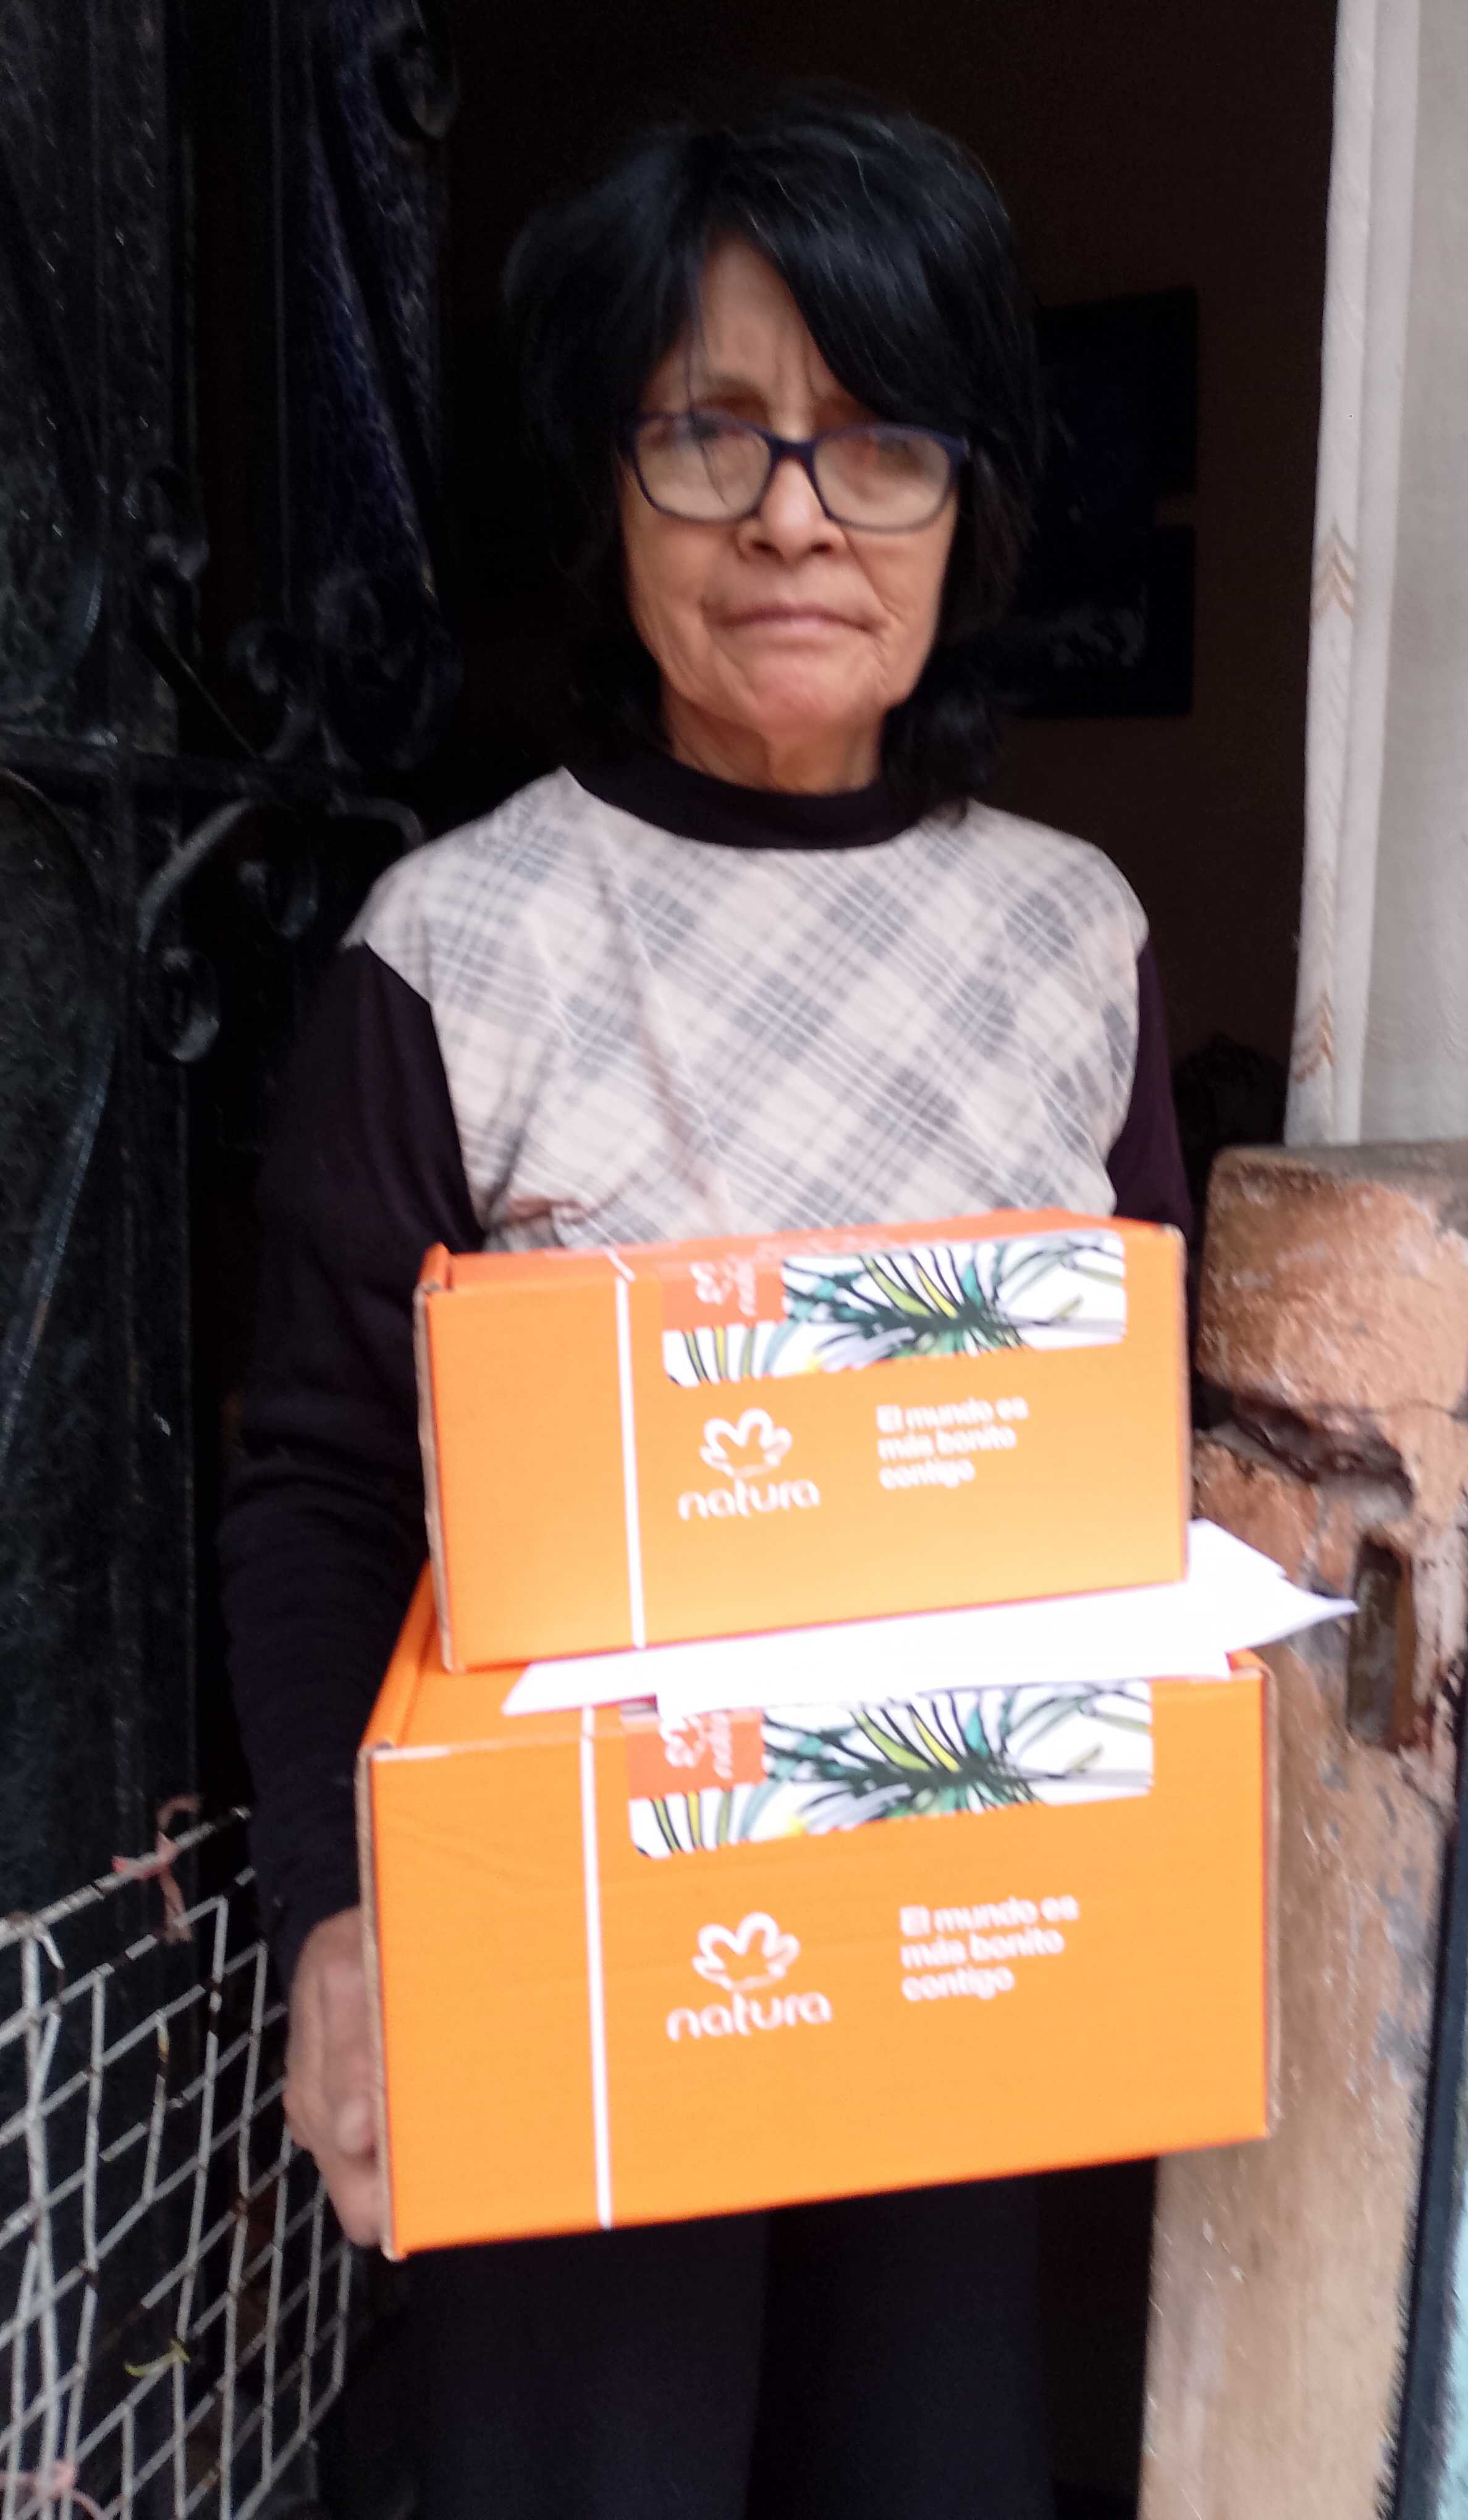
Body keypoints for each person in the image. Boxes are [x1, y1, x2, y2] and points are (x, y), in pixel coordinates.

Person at [222, 89, 1191, 2520]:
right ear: (611, 489)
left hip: (958, 1927)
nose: (792, 514)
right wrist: (337, 1919)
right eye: (711, 432)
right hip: (575, 1950)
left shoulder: (1070, 936)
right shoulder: (461, 950)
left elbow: (1127, 1451)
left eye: (878, 442)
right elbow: (318, 1489)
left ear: (965, 507)